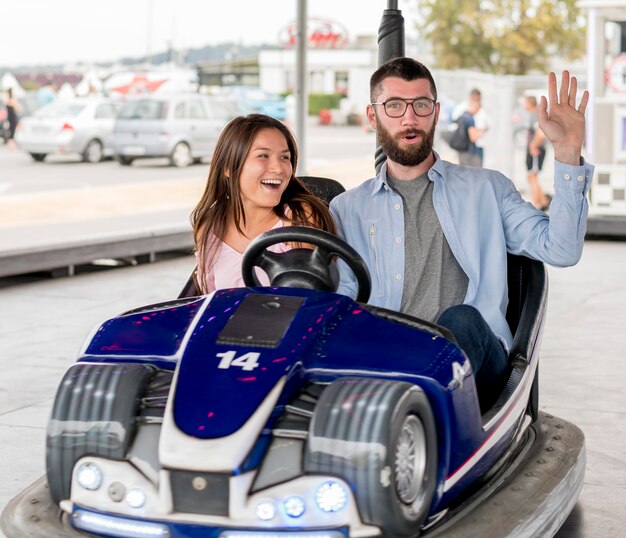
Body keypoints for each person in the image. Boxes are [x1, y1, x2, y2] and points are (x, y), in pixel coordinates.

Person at [329, 58, 592, 411]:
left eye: (421, 105)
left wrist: (567, 152)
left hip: (476, 364)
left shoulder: (488, 188)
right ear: (373, 116)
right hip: (386, 362)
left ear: (436, 113)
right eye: (394, 106)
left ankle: (409, 413)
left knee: (462, 319)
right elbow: (345, 297)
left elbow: (562, 249)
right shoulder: (347, 209)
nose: (409, 118)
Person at [191, 113, 336, 294]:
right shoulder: (210, 225)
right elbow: (209, 298)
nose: (278, 168)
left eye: (285, 157)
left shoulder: (299, 216)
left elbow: (306, 297)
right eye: (263, 156)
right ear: (228, 167)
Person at [524, 95, 550, 210]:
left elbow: (541, 133)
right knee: (531, 177)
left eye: (525, 103)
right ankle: (543, 201)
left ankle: (538, 204)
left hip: (536, 150)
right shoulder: (532, 115)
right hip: (533, 148)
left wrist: (533, 146)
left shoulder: (535, 116)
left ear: (530, 103)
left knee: (532, 176)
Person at [452, 88, 488, 167]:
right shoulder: (467, 116)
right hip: (469, 150)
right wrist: (481, 131)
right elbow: (473, 137)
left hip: (472, 148)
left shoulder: (468, 114)